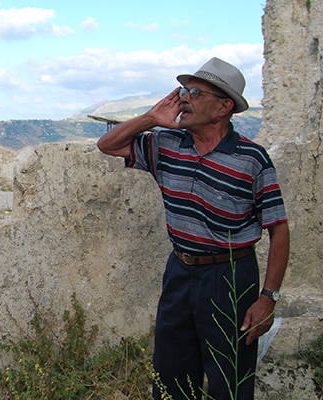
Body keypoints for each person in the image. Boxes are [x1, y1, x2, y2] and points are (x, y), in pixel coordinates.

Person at [96, 57, 290, 400]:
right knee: (171, 375)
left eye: (196, 93)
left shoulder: (251, 159)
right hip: (180, 271)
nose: (184, 98)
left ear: (223, 107)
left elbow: (279, 228)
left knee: (229, 379)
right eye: (185, 90)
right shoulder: (167, 144)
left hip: (230, 275)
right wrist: (150, 119)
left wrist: (268, 297)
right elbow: (107, 145)